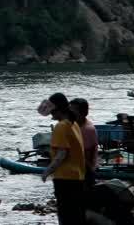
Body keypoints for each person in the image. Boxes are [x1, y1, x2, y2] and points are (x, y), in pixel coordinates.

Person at [41, 93, 87, 225]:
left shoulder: (61, 126)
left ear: (58, 110)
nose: (51, 115)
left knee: (66, 215)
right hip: (78, 176)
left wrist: (47, 171)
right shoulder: (74, 125)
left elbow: (62, 154)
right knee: (77, 214)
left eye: (52, 111)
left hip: (64, 178)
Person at [70, 98, 98, 189]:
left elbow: (82, 155)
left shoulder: (87, 129)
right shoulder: (74, 125)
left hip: (84, 172)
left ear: (83, 113)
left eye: (73, 111)